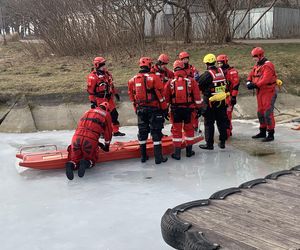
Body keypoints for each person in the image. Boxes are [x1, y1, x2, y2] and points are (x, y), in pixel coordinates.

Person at [128, 57, 168, 164]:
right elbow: (161, 94)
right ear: (149, 66)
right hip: (154, 109)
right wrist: (164, 109)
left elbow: (132, 96)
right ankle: (158, 158)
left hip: (141, 109)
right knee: (156, 133)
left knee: (142, 132)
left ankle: (143, 156)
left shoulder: (133, 79)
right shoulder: (154, 78)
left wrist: (136, 109)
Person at [164, 60, 202, 160]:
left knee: (176, 131)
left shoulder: (170, 83)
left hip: (175, 110)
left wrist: (165, 110)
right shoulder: (191, 81)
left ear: (174, 69)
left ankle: (177, 154)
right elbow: (197, 97)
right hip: (189, 110)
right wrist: (199, 109)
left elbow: (166, 99)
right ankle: (189, 152)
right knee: (189, 129)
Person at [65, 102, 112, 180]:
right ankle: (85, 163)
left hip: (77, 137)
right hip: (90, 139)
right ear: (107, 109)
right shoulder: (106, 114)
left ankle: (70, 164)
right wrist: (106, 146)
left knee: (74, 158)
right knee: (91, 159)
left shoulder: (87, 111)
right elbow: (108, 133)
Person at [87, 56, 125, 136]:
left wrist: (115, 93)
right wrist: (92, 102)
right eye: (102, 64)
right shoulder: (93, 77)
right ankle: (101, 133)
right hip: (100, 99)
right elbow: (90, 91)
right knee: (102, 117)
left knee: (114, 114)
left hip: (109, 98)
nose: (104, 66)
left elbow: (111, 85)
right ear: (98, 65)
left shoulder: (107, 74)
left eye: (104, 64)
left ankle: (115, 131)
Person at [198, 54, 229, 150]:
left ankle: (209, 144)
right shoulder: (222, 71)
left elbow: (199, 85)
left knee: (209, 123)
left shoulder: (207, 74)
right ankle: (222, 142)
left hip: (210, 102)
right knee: (221, 122)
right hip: (221, 101)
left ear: (206, 63)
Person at [246, 47, 278, 142]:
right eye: (253, 56)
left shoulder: (268, 65)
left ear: (260, 55)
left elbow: (266, 79)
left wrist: (254, 84)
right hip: (260, 91)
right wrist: (248, 81)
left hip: (269, 91)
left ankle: (271, 133)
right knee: (260, 112)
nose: (254, 58)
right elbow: (251, 74)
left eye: (255, 56)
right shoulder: (258, 65)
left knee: (267, 112)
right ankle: (262, 131)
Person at [216, 54, 240, 137]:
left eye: (221, 63)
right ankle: (224, 130)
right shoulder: (218, 72)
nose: (219, 65)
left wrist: (233, 97)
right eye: (218, 63)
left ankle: (227, 131)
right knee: (221, 115)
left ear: (225, 62)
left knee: (227, 115)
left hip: (229, 96)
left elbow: (235, 85)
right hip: (220, 96)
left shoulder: (232, 72)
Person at [179, 51, 201, 133]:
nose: (185, 61)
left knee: (194, 110)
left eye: (186, 59)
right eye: (183, 59)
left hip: (192, 91)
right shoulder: (178, 69)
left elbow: (197, 77)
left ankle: (195, 126)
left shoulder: (192, 68)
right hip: (182, 93)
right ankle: (181, 127)